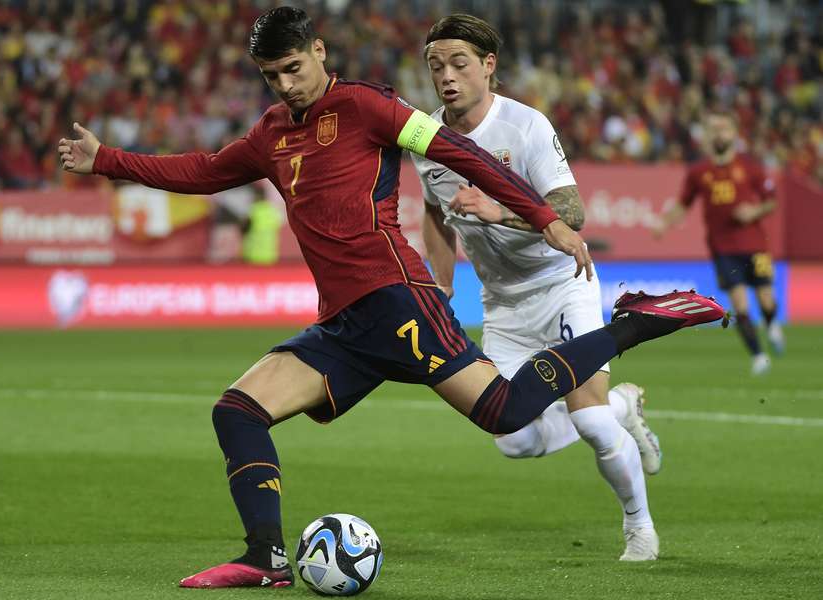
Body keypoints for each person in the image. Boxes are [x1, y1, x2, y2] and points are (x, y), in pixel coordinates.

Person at [58, 7, 724, 589]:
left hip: (396, 298)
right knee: (238, 411)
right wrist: (109, 160)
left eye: (293, 67)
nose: (286, 85)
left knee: (504, 414)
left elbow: (467, 158)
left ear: (320, 52)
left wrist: (546, 218)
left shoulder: (369, 108)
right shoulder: (270, 133)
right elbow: (203, 171)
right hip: (343, 325)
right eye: (271, 76)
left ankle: (633, 323)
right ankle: (266, 558)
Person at [411, 14, 661, 561]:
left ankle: (639, 527)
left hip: (559, 285)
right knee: (513, 439)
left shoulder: (524, 127)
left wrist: (498, 209)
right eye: (436, 66)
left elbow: (571, 212)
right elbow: (434, 211)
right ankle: (622, 406)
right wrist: (442, 286)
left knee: (590, 421)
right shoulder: (424, 139)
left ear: (488, 66)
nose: (446, 76)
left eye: (458, 63)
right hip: (503, 306)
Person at [654, 110, 783, 375]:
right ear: (708, 135)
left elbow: (771, 199)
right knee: (740, 304)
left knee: (766, 300)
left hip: (756, 245)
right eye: (714, 129)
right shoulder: (699, 171)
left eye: (724, 128)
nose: (719, 133)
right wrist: (664, 223)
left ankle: (771, 324)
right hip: (723, 248)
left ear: (734, 134)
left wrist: (753, 212)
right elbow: (683, 204)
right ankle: (758, 355)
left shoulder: (750, 166)